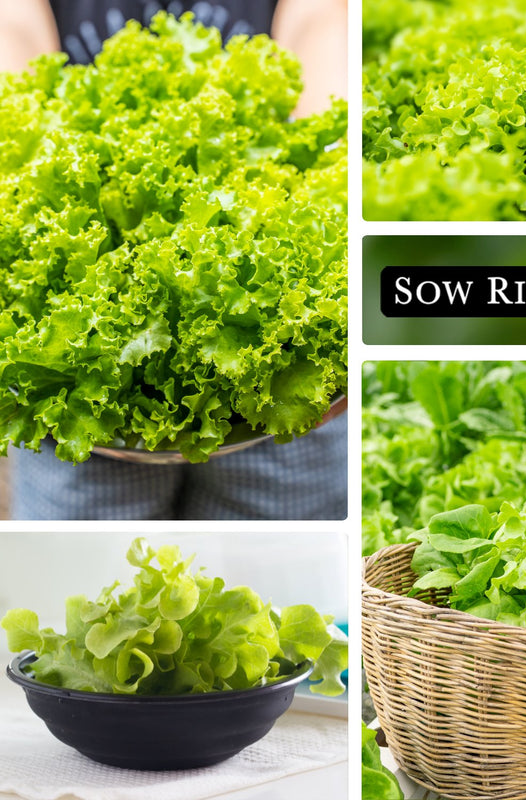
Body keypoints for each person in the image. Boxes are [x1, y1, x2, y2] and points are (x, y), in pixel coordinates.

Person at [0, 0, 348, 520]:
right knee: (93, 573)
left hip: (272, 391)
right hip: (82, 390)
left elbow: (324, 21)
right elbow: (14, 28)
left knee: (278, 556)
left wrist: (331, 174)